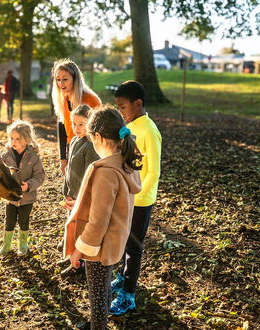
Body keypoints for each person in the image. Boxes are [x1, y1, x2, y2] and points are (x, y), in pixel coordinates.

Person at [63, 106, 142, 330]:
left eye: (91, 138)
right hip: (115, 241)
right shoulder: (125, 161)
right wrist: (79, 204)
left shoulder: (105, 171)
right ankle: (99, 322)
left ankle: (98, 326)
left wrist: (80, 250)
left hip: (98, 247)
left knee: (97, 297)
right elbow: (111, 206)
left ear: (97, 137)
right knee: (105, 289)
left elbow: (98, 222)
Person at [109, 80, 162, 316]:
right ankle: (122, 278)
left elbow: (153, 171)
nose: (121, 113)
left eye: (123, 108)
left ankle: (128, 295)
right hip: (126, 198)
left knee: (134, 247)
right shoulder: (131, 128)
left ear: (137, 104)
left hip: (140, 201)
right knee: (124, 242)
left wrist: (138, 195)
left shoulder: (149, 131)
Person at [58, 104, 99, 277]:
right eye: (74, 124)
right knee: (72, 228)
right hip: (72, 195)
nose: (77, 128)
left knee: (81, 230)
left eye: (81, 124)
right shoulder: (74, 141)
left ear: (90, 124)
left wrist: (83, 198)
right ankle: (71, 257)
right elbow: (69, 170)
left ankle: (80, 264)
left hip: (82, 198)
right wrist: (66, 189)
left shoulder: (91, 146)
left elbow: (92, 176)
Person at [0, 120, 45, 257]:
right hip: (11, 197)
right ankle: (6, 246)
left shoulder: (34, 157)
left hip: (27, 197)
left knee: (23, 221)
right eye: (11, 138)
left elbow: (40, 176)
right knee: (9, 221)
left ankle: (23, 246)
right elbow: (1, 175)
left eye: (17, 139)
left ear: (26, 139)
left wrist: (29, 185)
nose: (14, 141)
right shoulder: (6, 156)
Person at [51, 58, 101, 175]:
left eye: (65, 79)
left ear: (75, 79)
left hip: (89, 148)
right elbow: (62, 127)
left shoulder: (91, 100)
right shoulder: (63, 98)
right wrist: (63, 158)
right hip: (72, 146)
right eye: (58, 80)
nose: (61, 84)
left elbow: (99, 131)